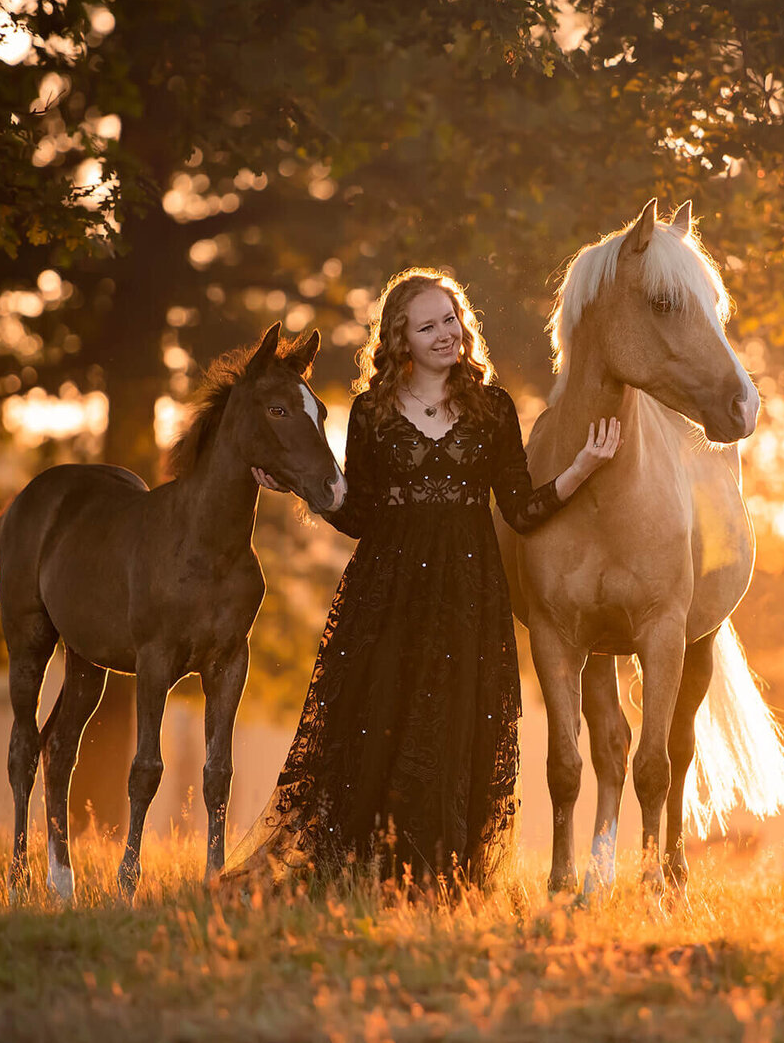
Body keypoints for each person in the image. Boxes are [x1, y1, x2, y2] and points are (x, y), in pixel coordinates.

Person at [227, 267, 620, 889]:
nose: (445, 334)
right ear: (399, 339)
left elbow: (519, 510)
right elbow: (359, 515)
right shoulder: (370, 411)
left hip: (469, 593)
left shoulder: (492, 407)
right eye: (428, 324)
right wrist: (303, 489)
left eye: (451, 319)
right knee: (376, 722)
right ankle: (363, 874)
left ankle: (439, 881)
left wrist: (583, 468)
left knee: (457, 727)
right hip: (387, 588)